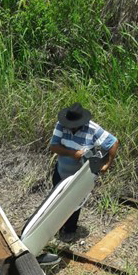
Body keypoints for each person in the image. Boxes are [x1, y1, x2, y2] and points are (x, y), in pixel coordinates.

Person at [38, 103, 119, 265]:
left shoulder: (93, 129)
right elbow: (54, 146)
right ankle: (53, 226)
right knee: (55, 198)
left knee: (74, 203)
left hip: (79, 175)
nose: (71, 128)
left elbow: (113, 142)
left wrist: (107, 164)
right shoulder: (61, 125)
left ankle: (69, 230)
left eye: (75, 126)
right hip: (61, 170)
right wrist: (73, 153)